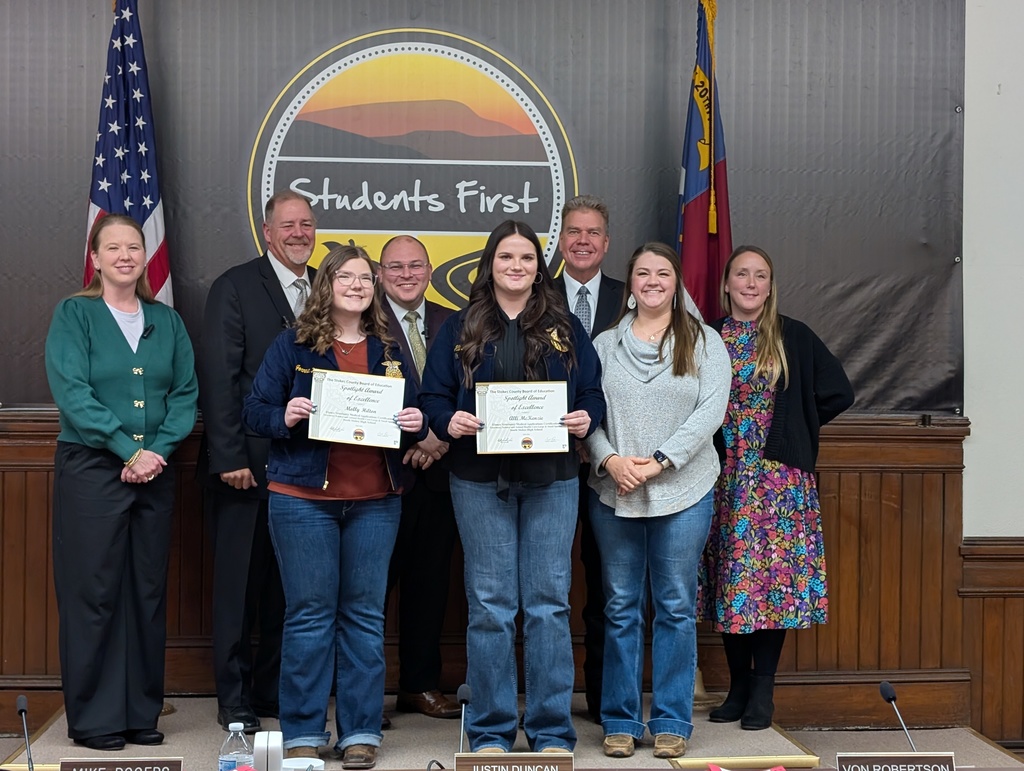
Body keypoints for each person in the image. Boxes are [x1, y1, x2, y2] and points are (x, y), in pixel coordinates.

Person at [420, 220, 605, 753]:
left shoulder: (566, 327)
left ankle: (550, 729)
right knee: (490, 604)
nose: (516, 267)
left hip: (553, 480)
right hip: (478, 480)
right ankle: (491, 729)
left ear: (539, 269)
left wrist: (583, 419)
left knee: (549, 603)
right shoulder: (460, 327)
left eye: (526, 258)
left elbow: (593, 394)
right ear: (491, 265)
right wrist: (449, 420)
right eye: (506, 258)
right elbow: (433, 395)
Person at [242, 245, 426, 770]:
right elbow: (255, 410)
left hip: (374, 501)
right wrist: (288, 413)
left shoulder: (390, 348)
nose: (357, 285)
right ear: (327, 284)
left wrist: (415, 423)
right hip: (303, 500)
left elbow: (414, 411)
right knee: (309, 615)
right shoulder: (294, 344)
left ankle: (360, 732)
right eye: (345, 277)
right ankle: (302, 731)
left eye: (365, 278)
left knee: (365, 617)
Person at [45, 214, 198, 751]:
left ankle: (139, 713)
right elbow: (73, 394)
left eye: (134, 247)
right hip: (92, 469)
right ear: (96, 256)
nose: (125, 256)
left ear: (144, 256)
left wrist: (154, 453)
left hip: (155, 471)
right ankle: (95, 719)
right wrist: (128, 450)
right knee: (95, 593)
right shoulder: (75, 313)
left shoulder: (167, 320)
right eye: (113, 247)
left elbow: (184, 395)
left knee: (145, 592)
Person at [699, 245, 854, 730]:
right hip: (725, 475)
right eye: (741, 274)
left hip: (778, 481)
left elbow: (838, 392)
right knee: (734, 581)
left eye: (760, 275)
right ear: (726, 284)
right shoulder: (709, 338)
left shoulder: (793, 336)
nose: (750, 283)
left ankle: (763, 689)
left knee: (773, 586)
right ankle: (738, 687)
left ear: (770, 285)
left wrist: (799, 430)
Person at [585, 241, 730, 759]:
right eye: (642, 273)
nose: (652, 281)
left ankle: (671, 720)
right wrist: (611, 461)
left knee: (674, 606)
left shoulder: (706, 342)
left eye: (662, 273)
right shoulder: (603, 345)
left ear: (676, 283)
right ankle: (621, 720)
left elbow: (711, 412)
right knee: (621, 607)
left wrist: (659, 461)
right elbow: (586, 411)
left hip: (684, 490)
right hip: (615, 489)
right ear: (631, 284)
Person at [198, 190, 316, 733]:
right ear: (267, 233)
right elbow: (221, 378)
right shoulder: (236, 286)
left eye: (306, 225)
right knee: (239, 590)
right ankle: (235, 699)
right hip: (245, 466)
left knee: (285, 591)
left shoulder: (325, 286)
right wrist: (228, 454)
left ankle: (271, 691)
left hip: (304, 470)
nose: (298, 233)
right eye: (287, 225)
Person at [379, 235, 461, 721]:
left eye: (415, 266)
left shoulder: (452, 321)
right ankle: (363, 691)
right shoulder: (363, 319)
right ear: (380, 273)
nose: (406, 274)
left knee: (430, 584)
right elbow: (360, 394)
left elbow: (470, 386)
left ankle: (419, 684)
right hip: (386, 473)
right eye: (396, 267)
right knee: (371, 588)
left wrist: (441, 440)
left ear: (430, 271)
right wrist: (414, 443)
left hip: (442, 474)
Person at [552, 195, 624, 721]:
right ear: (559, 239)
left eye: (593, 232)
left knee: (606, 586)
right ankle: (542, 701)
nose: (582, 240)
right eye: (573, 231)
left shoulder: (636, 296)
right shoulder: (532, 295)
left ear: (606, 242)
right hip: (545, 464)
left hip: (615, 467)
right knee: (543, 584)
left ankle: (604, 701)